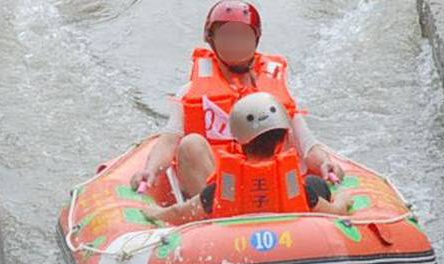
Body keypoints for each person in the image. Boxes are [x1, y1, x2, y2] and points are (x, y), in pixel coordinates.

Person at [135, 0, 349, 201]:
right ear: (212, 40)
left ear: (255, 40)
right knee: (191, 144)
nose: (235, 43)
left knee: (306, 174)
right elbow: (169, 141)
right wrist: (151, 169)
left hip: (270, 185)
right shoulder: (190, 92)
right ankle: (218, 218)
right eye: (228, 36)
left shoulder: (274, 93)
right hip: (218, 191)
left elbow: (307, 144)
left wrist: (325, 163)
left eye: (242, 36)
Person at [150, 93, 355, 223]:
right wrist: (345, 199)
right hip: (291, 242)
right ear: (284, 138)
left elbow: (179, 213)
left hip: (232, 244)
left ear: (238, 142)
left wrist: (154, 213)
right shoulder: (297, 188)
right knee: (316, 183)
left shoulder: (220, 189)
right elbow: (335, 212)